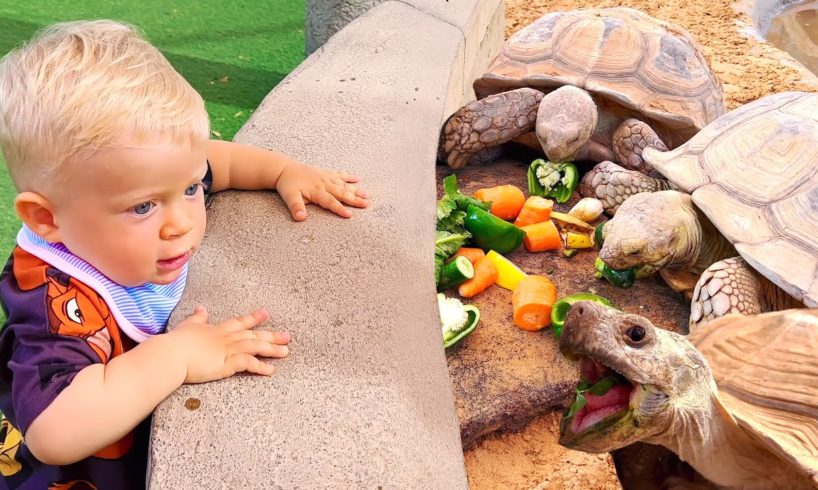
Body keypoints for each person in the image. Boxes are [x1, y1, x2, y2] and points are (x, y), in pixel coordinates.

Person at [0, 19, 369, 488]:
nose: (181, 222)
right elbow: (54, 431)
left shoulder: (152, 178)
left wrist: (283, 171)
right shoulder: (54, 301)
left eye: (192, 188)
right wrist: (174, 357)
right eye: (142, 207)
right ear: (47, 220)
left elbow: (219, 160)